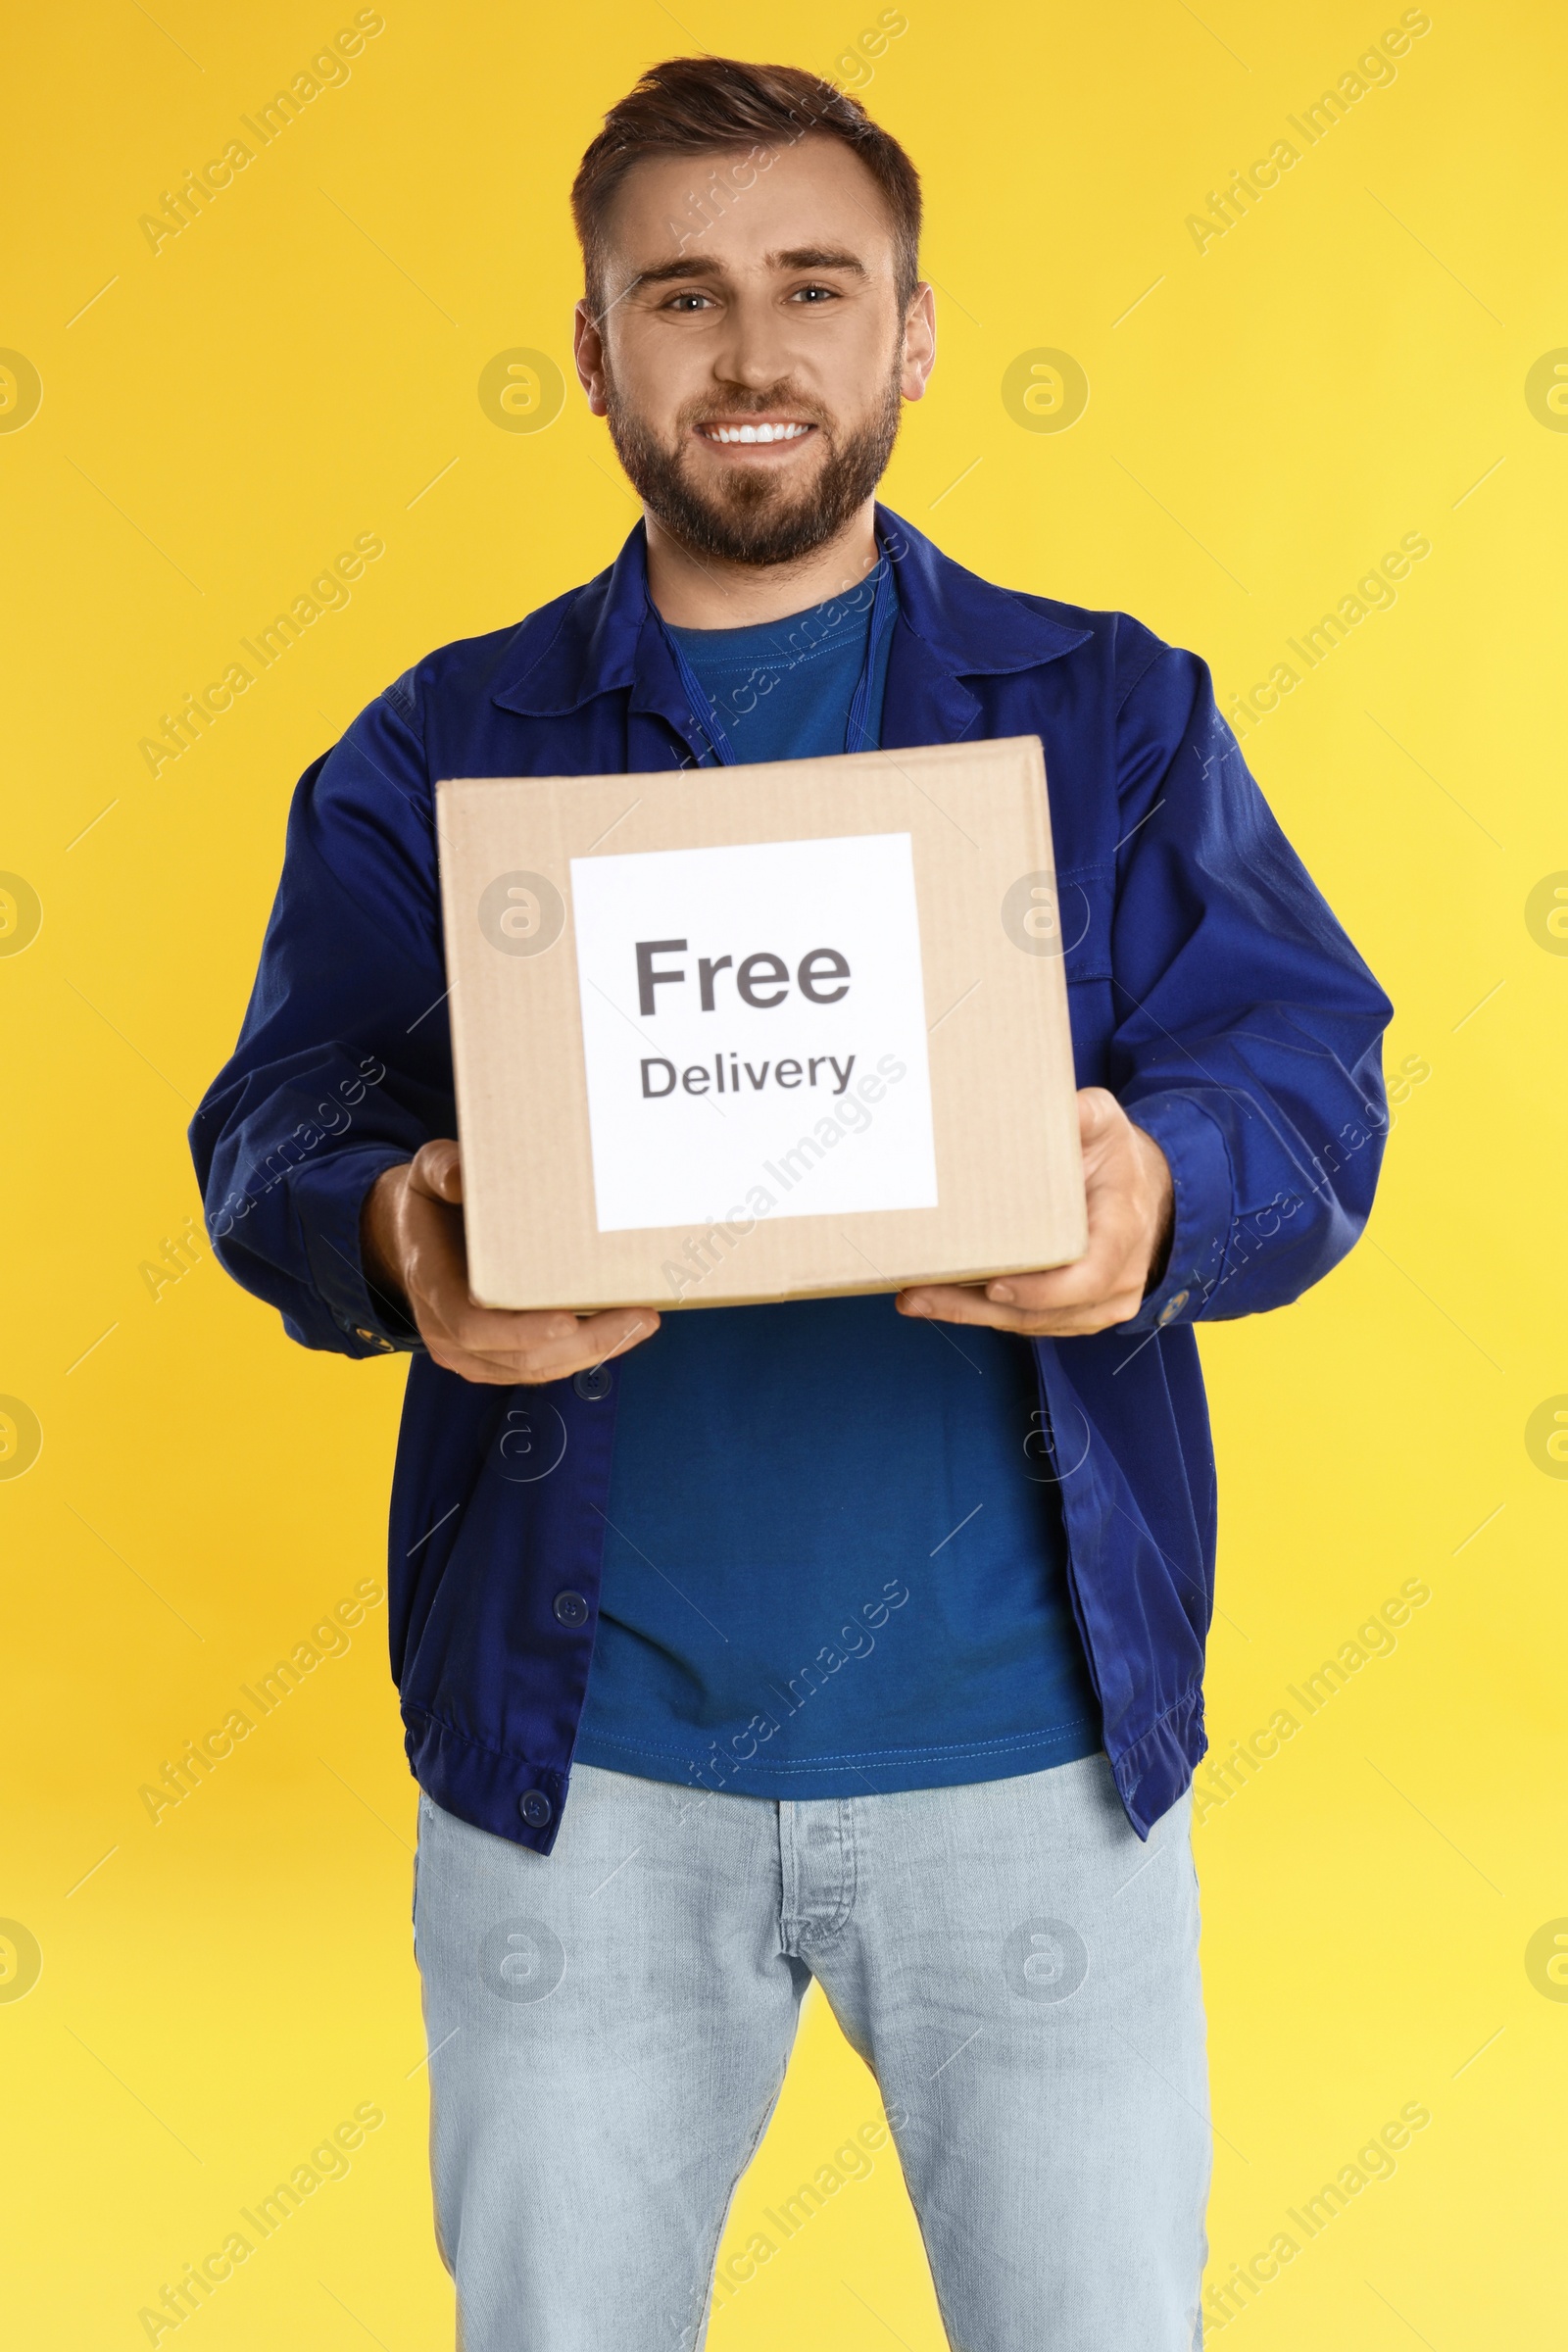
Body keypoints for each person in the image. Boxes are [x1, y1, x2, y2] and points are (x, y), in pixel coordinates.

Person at [191, 56, 1393, 2352]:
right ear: (596, 354)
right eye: (682, 296)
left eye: (813, 288)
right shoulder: (443, 746)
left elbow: (1301, 1075)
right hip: (581, 1779)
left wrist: (1164, 1189)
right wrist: (386, 1238)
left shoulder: (1113, 715)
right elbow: (279, 1119)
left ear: (911, 334)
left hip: (1031, 1763)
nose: (750, 355)